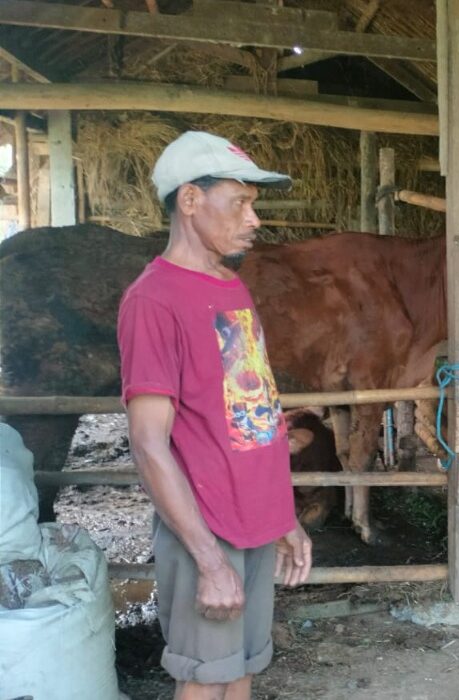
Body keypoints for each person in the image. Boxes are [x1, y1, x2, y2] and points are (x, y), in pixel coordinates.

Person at [118, 131, 312, 700]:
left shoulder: (231, 287)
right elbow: (149, 446)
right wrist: (208, 560)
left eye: (254, 204)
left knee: (243, 667)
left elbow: (253, 417)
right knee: (205, 679)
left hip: (253, 523)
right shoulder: (153, 300)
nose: (253, 219)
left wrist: (282, 516)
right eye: (241, 202)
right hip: (205, 527)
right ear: (190, 200)